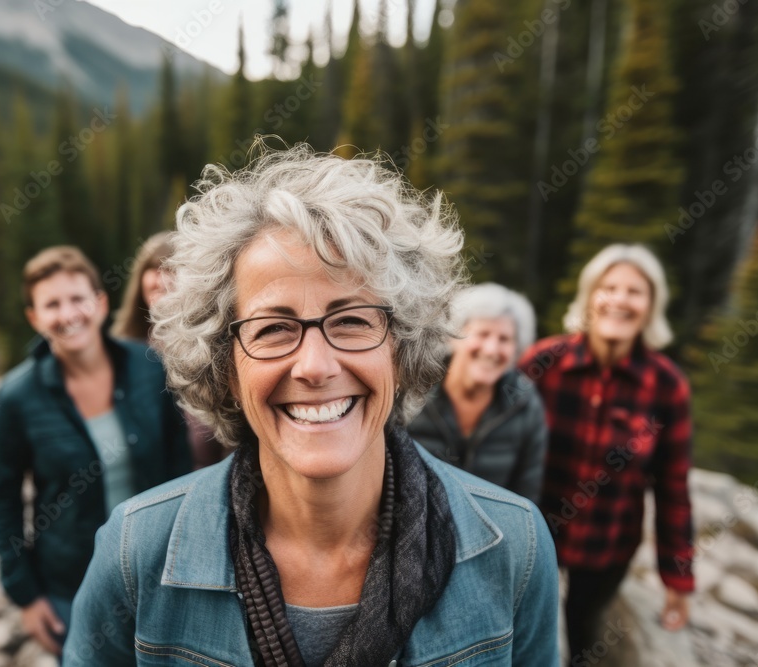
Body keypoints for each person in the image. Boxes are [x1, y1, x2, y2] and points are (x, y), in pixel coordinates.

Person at [64, 146, 559, 666]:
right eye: (274, 329)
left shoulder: (514, 547)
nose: (315, 366)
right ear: (226, 369)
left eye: (352, 321)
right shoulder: (135, 551)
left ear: (401, 347)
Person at [0, 246, 192, 660]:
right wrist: (25, 595)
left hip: (158, 571)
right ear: (34, 317)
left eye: (78, 298)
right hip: (70, 584)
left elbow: (179, 466)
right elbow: (2, 499)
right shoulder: (17, 397)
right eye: (52, 304)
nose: (68, 314)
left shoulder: (149, 367)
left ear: (100, 303)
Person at [517, 244, 694, 666]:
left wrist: (677, 578)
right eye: (608, 287)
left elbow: (673, 488)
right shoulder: (542, 362)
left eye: (634, 292)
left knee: (585, 638)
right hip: (533, 536)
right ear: (589, 296)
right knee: (519, 636)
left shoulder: (667, 385)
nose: (619, 300)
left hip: (608, 545)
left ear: (651, 306)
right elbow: (499, 446)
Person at [408, 283, 548, 503]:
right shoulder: (413, 389)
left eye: (504, 339)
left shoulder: (525, 404)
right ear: (453, 336)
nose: (491, 349)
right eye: (482, 334)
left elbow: (526, 497)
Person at [112, 232, 224, 468]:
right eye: (153, 269)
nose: (161, 280)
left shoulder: (212, 344)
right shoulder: (121, 350)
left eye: (172, 270)